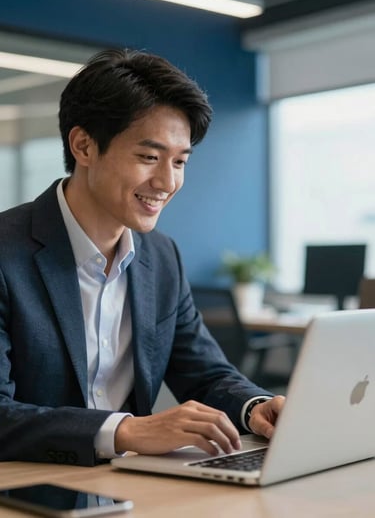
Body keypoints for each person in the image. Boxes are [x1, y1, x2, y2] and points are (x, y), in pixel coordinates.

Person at [0, 48, 285, 466]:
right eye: (149, 157)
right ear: (83, 145)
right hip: (27, 487)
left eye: (180, 161)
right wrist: (125, 430)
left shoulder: (161, 258)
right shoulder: (7, 253)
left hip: (127, 487)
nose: (167, 182)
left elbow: (205, 371)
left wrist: (254, 407)